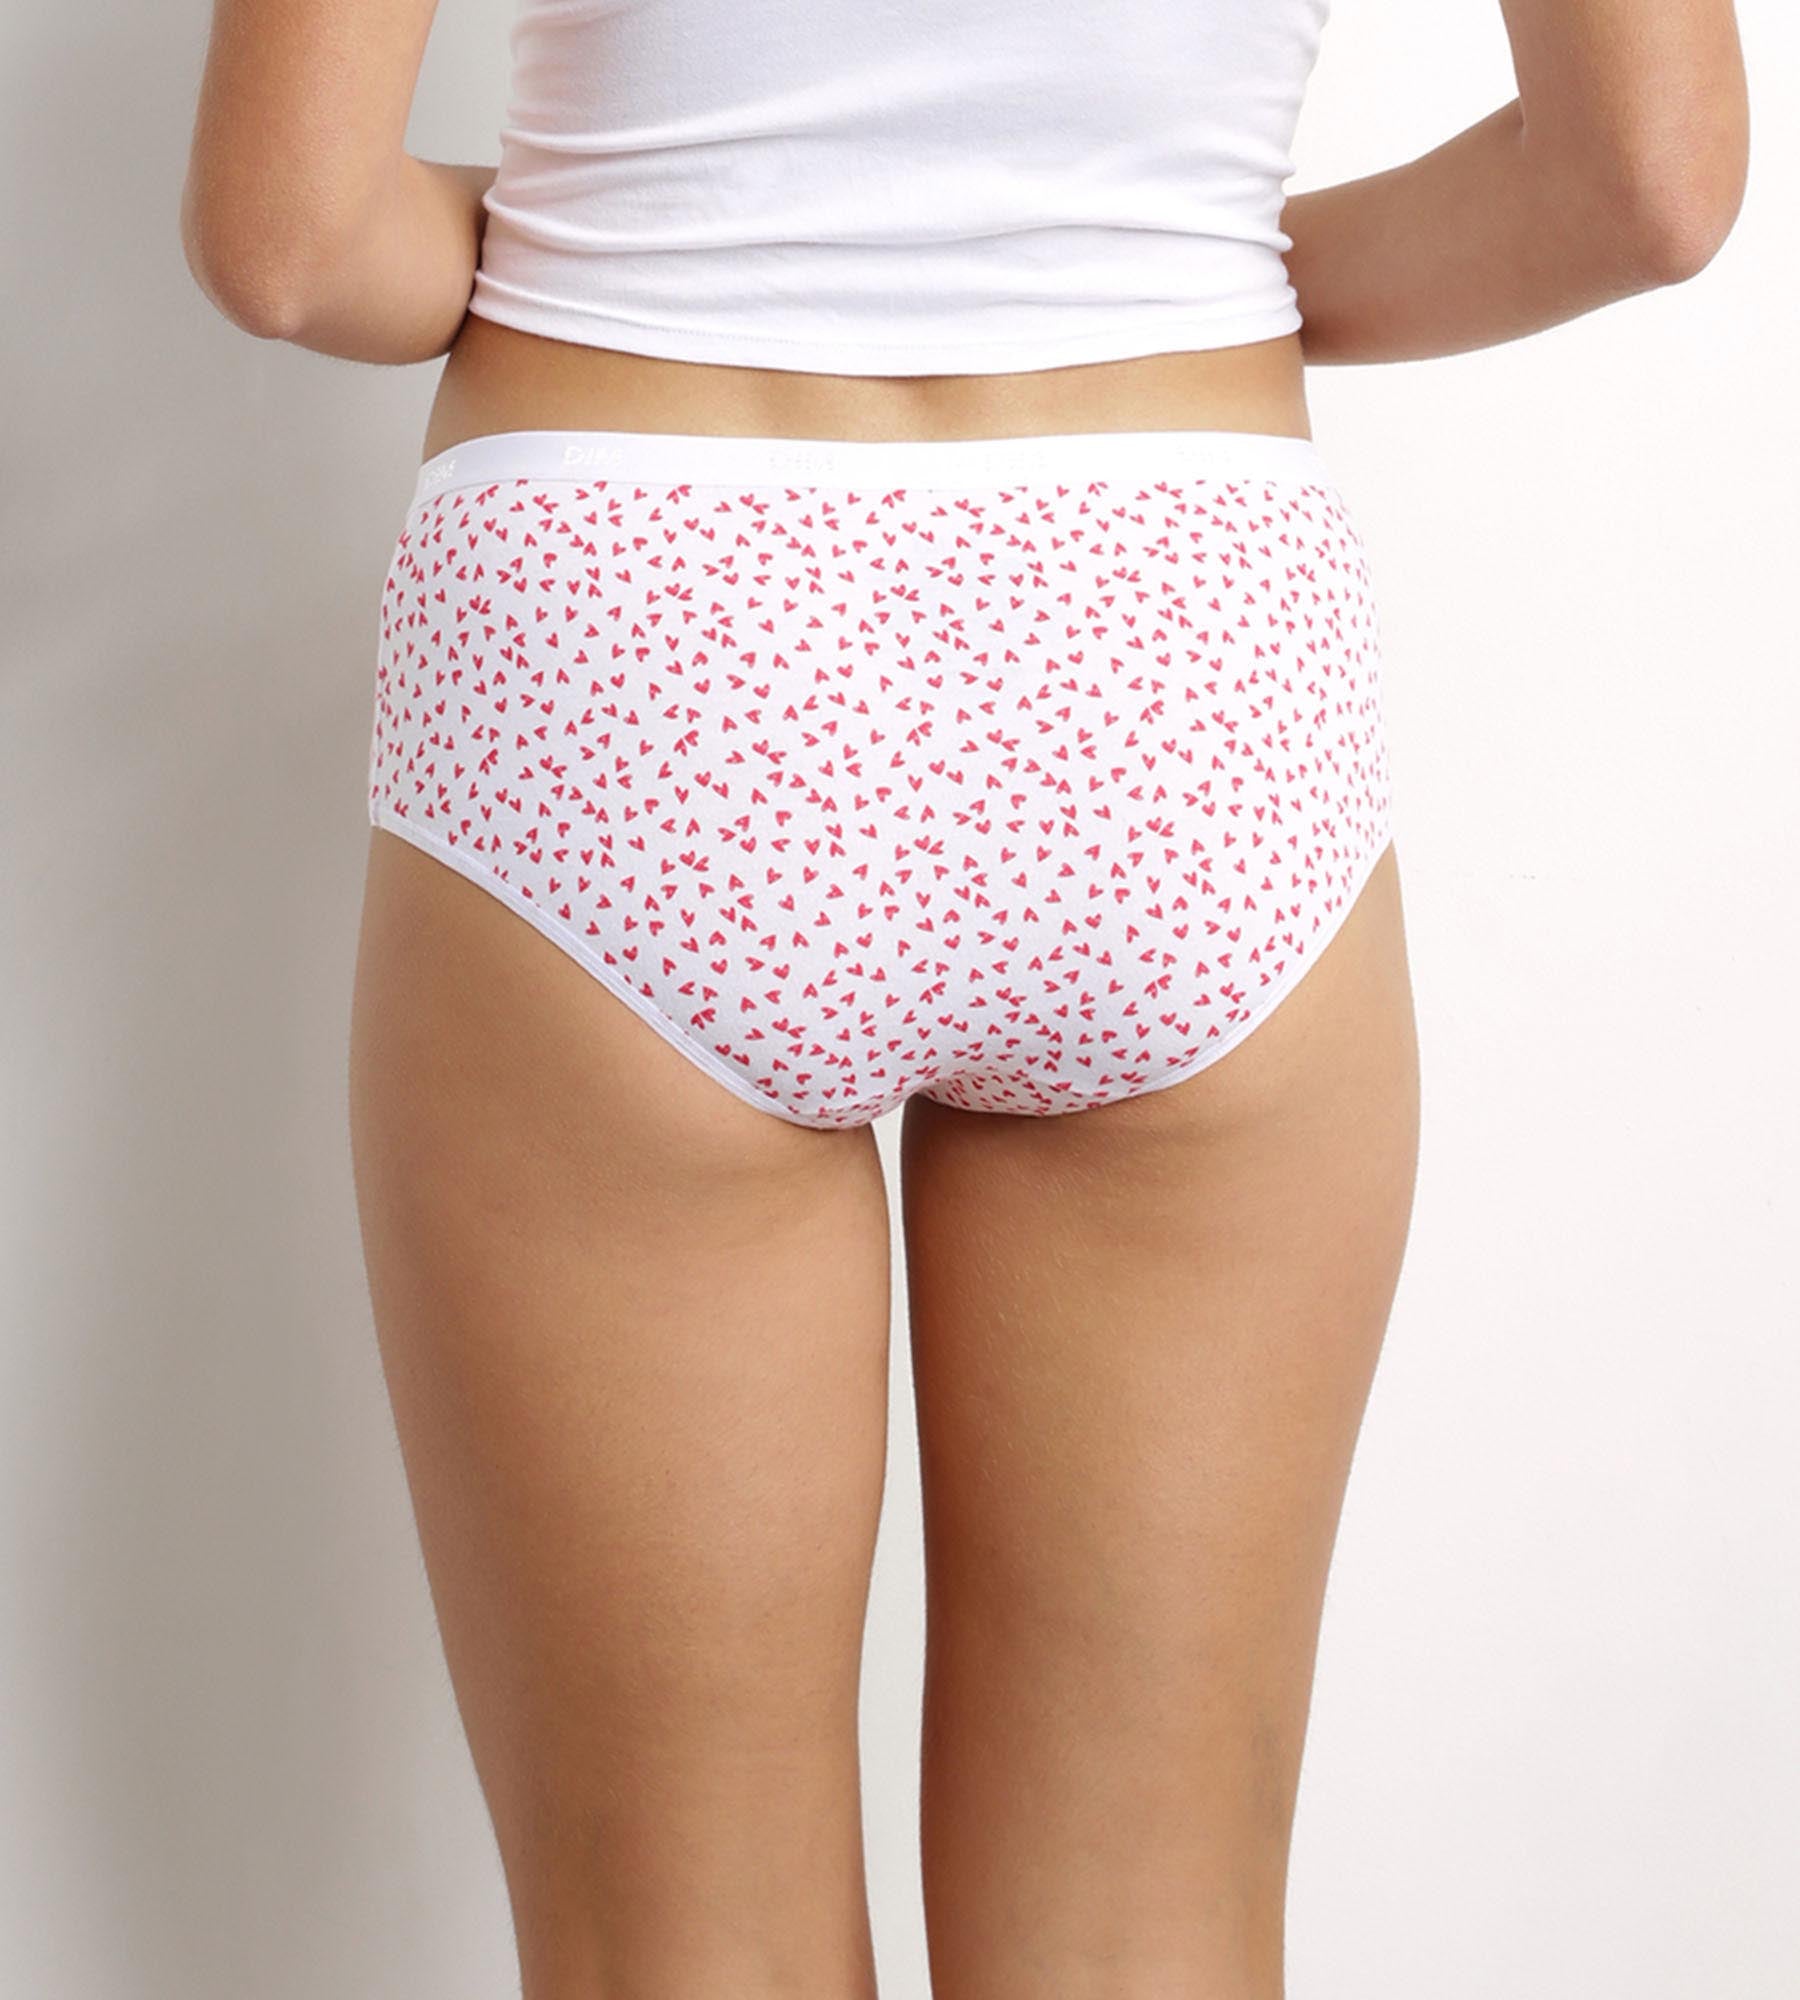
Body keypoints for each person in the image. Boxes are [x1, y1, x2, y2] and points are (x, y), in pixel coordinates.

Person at [180, 2, 1748, 1994]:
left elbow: (292, 237)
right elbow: (1645, 187)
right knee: (1149, 1924)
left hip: (648, 636)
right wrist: (1199, 271)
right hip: (1177, 636)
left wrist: (610, 241)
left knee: (680, 1941)